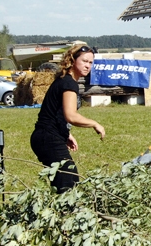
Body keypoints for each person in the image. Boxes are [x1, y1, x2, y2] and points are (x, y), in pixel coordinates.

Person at [30, 44, 105, 193]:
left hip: (47, 136)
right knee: (68, 182)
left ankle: (57, 213)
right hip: (47, 138)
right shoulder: (69, 83)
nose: (88, 66)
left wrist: (66, 134)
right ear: (72, 60)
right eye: (84, 61)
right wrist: (95, 124)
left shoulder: (64, 81)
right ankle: (63, 214)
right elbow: (70, 115)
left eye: (90, 62)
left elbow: (54, 111)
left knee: (65, 180)